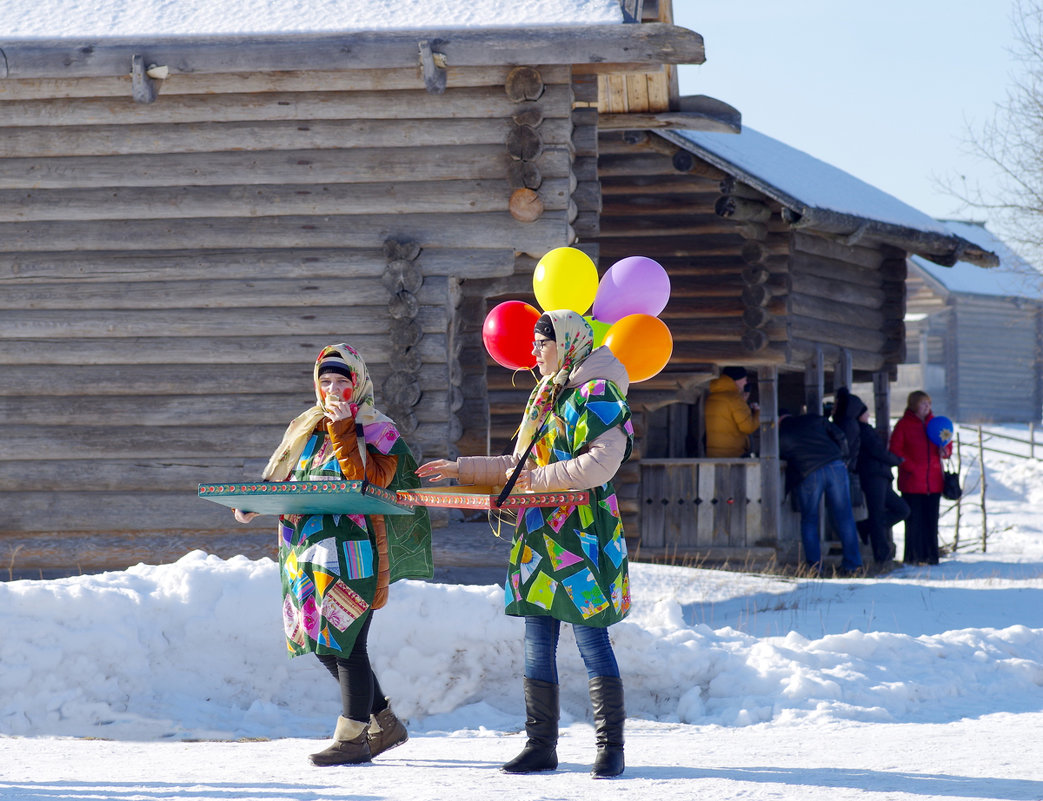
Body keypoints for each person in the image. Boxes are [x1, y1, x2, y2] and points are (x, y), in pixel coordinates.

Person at [416, 310, 633, 779]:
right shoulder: (545, 395)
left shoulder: (599, 393)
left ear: (568, 344)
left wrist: (535, 480)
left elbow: (601, 465)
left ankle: (610, 747)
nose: (533, 352)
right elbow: (518, 466)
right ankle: (541, 745)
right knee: (538, 641)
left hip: (582, 533)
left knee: (591, 636)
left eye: (541, 343)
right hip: (538, 535)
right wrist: (461, 468)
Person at [233, 344, 432, 766]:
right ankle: (384, 722)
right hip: (307, 552)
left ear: (358, 383)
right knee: (327, 646)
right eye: (325, 382)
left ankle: (352, 737)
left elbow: (369, 482)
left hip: (354, 553)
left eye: (343, 381)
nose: (333, 390)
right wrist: (255, 501)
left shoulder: (378, 430)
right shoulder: (305, 427)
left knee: (347, 646)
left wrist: (345, 430)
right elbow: (286, 478)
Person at [778, 410, 864, 576]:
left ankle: (814, 568)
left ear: (779, 420)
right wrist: (844, 457)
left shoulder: (781, 433)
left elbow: (784, 455)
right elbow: (840, 434)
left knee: (809, 520)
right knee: (845, 517)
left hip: (809, 472)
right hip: (835, 464)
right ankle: (853, 565)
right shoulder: (813, 419)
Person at [889, 390, 951, 565]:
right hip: (911, 482)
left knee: (931, 522)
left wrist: (945, 451)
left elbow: (948, 444)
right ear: (914, 405)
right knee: (914, 522)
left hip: (934, 482)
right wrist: (912, 467)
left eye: (929, 404)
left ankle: (931, 556)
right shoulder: (904, 425)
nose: (927, 407)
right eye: (923, 404)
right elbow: (896, 451)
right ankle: (913, 556)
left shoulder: (937, 424)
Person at [856, 407, 909, 565]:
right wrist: (896, 460)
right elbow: (878, 451)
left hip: (881, 475)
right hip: (872, 475)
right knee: (877, 514)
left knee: (902, 510)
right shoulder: (862, 431)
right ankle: (882, 557)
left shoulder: (866, 430)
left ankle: (866, 526)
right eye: (865, 411)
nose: (869, 414)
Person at [704, 366, 760, 457]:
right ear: (737, 379)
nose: (746, 382)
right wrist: (758, 413)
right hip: (733, 455)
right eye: (744, 379)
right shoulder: (734, 399)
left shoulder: (711, 397)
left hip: (713, 454)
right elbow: (748, 427)